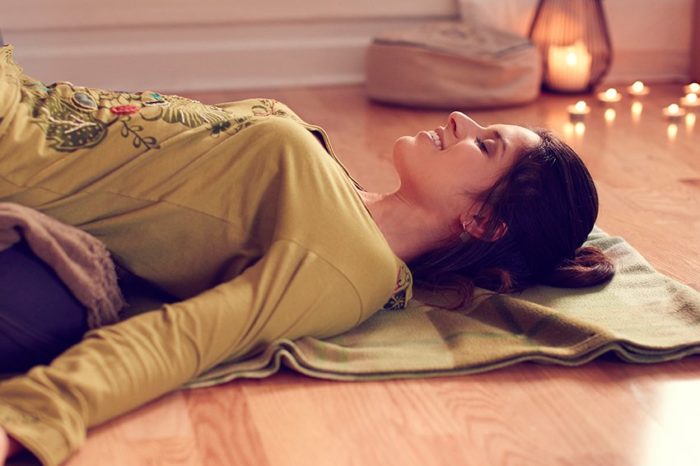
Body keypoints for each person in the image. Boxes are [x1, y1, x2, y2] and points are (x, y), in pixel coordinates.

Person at [0, 43, 614, 466]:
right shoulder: (346, 193)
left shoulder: (350, 267)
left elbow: (185, 339)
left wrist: (27, 419)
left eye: (484, 146)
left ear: (481, 222)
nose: (459, 120)